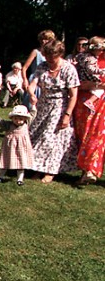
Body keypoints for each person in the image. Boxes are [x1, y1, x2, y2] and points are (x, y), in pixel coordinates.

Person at [27, 39, 79, 183]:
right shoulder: (42, 66)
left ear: (60, 54)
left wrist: (67, 115)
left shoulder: (68, 69)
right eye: (47, 56)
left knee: (50, 139)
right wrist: (31, 94)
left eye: (52, 57)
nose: (49, 59)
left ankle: (50, 170)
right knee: (36, 136)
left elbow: (74, 95)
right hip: (43, 106)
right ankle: (37, 167)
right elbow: (33, 84)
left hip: (59, 107)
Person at [76, 38, 105, 185]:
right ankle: (85, 172)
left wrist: (96, 84)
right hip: (84, 101)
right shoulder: (90, 59)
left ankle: (91, 170)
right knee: (85, 134)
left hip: (100, 104)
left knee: (97, 136)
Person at [0, 105, 34, 185]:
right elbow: (0, 121)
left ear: (25, 119)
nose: (18, 121)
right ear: (12, 118)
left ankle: (20, 179)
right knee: (5, 161)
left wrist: (33, 105)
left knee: (21, 162)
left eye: (20, 119)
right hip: (10, 147)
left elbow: (33, 114)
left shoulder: (26, 124)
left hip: (22, 148)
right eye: (15, 118)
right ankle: (0, 177)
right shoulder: (8, 125)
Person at [21, 29, 57, 111]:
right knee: (31, 106)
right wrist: (25, 80)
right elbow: (24, 68)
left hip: (47, 81)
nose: (44, 41)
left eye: (47, 39)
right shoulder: (36, 52)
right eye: (42, 39)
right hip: (35, 81)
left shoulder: (53, 54)